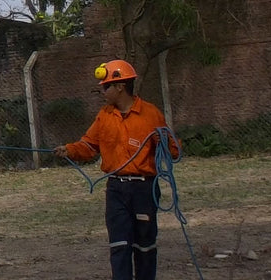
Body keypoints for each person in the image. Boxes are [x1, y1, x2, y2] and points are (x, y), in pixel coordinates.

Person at [53, 59, 180, 280]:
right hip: (116, 191)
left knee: (145, 248)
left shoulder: (151, 115)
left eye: (106, 86)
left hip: (144, 191)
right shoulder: (104, 116)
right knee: (119, 246)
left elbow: (172, 150)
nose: (102, 91)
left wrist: (170, 146)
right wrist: (69, 150)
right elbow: (88, 146)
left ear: (120, 86)